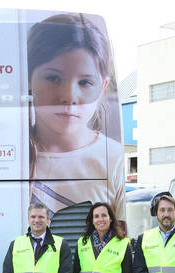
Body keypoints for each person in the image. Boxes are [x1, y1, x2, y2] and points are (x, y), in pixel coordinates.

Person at [27, 13, 124, 219]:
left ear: (102, 88)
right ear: (28, 79)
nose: (69, 97)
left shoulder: (115, 160)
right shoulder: (10, 154)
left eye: (85, 82)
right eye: (54, 78)